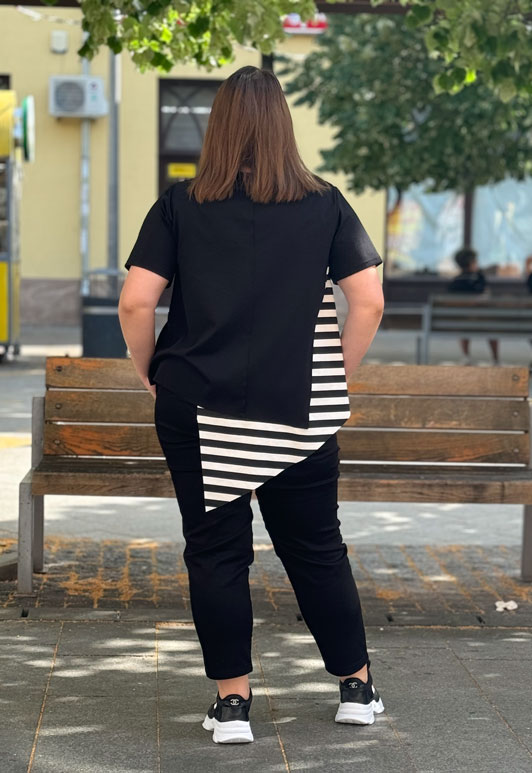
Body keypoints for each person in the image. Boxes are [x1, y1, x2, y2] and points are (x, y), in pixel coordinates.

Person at [118, 66, 385, 744]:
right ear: (282, 126)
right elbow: (369, 301)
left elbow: (136, 303)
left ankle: (232, 704)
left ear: (217, 128)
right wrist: (333, 373)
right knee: (317, 547)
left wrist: (150, 371)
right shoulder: (326, 203)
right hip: (298, 409)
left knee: (215, 552)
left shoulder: (180, 204)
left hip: (197, 405)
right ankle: (356, 689)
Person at [447, 247, 499, 365]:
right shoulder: (479, 278)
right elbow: (486, 296)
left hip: (463, 322)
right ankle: (495, 359)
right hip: (484, 322)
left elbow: (451, 302)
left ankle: (466, 356)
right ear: (471, 263)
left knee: (463, 323)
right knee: (492, 324)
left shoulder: (455, 282)